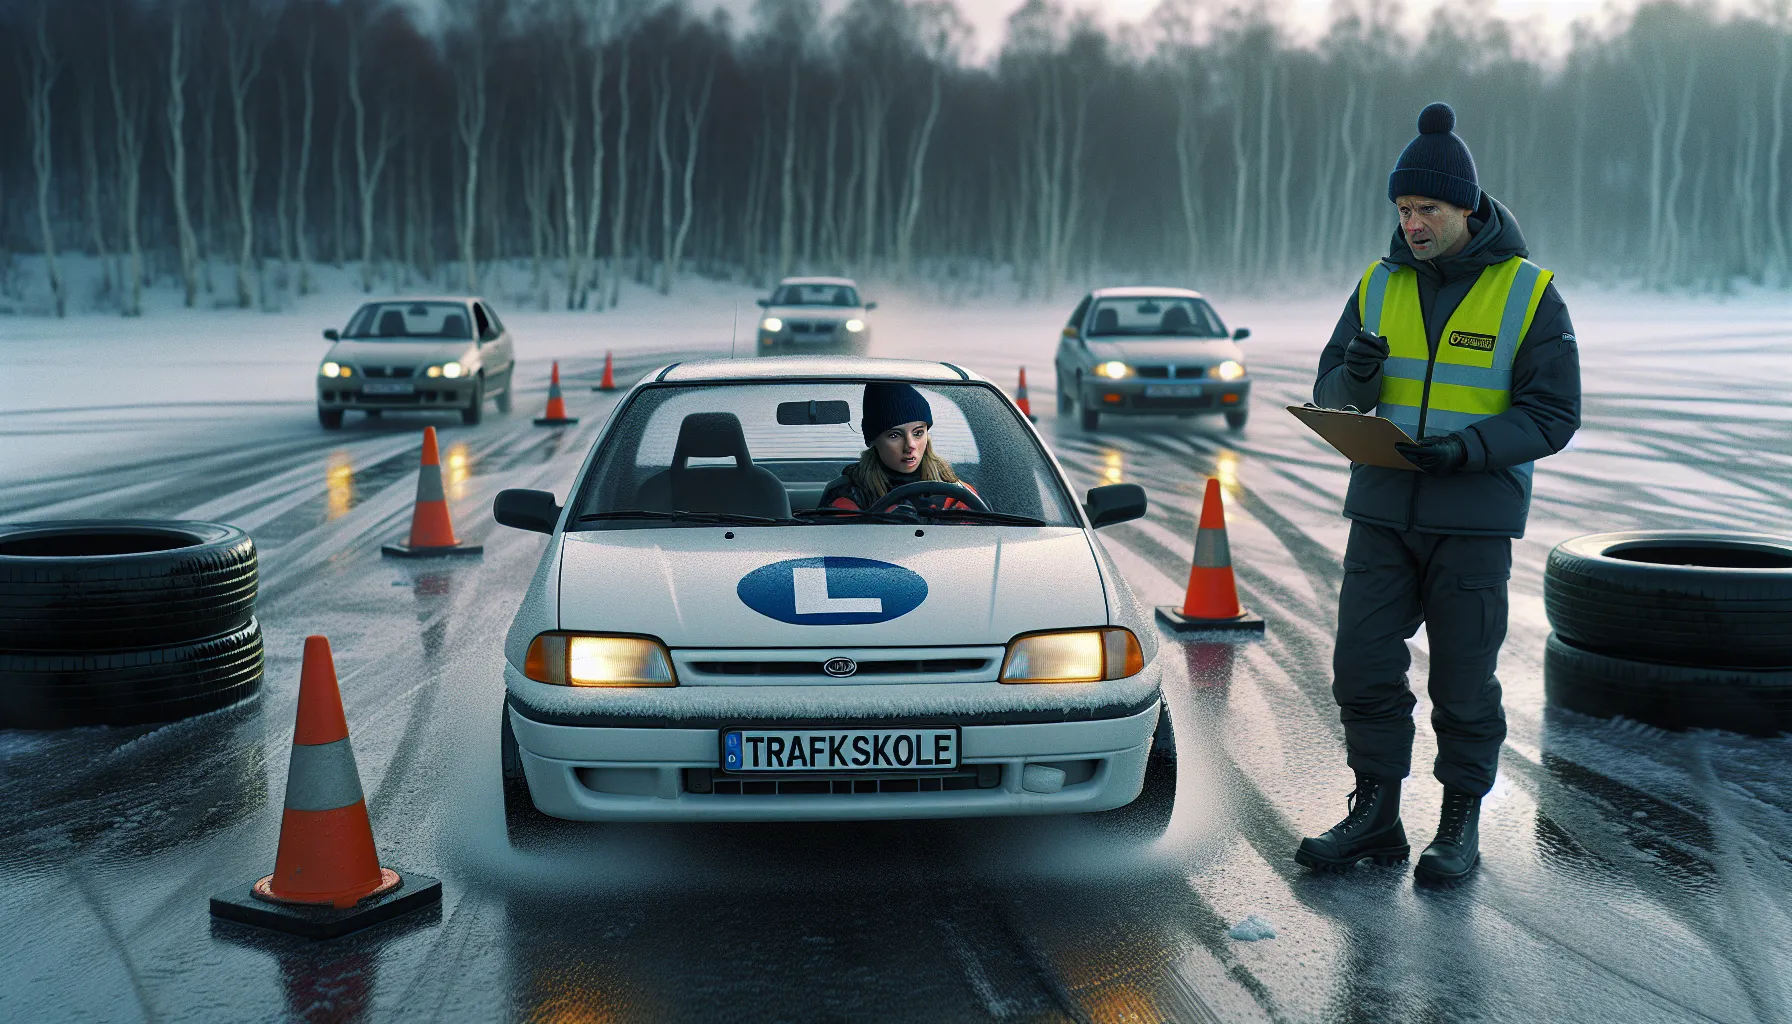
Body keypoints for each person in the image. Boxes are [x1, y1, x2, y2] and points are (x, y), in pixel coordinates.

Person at [1298, 102, 1581, 885]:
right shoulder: (1378, 284)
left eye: (1426, 209)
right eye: (1402, 209)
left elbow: (1555, 414)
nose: (1412, 224)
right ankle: (1376, 815)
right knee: (1361, 667)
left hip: (1472, 520)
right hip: (1382, 513)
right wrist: (1353, 377)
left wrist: (1467, 449)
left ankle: (1459, 824)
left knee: (1462, 680)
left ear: (1466, 207)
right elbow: (1330, 395)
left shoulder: (1529, 294)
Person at [821, 382, 976, 512]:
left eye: (918, 433)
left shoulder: (957, 492)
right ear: (874, 440)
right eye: (894, 435)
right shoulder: (850, 496)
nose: (910, 446)